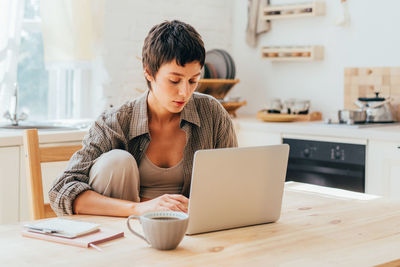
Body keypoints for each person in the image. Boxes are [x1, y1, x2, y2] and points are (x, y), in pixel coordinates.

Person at [49, 20, 237, 217]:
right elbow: (60, 190)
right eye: (174, 80)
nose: (184, 92)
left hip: (188, 232)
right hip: (123, 229)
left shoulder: (212, 114)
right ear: (148, 72)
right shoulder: (115, 122)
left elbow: (233, 181)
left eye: (193, 81)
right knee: (117, 161)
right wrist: (138, 208)